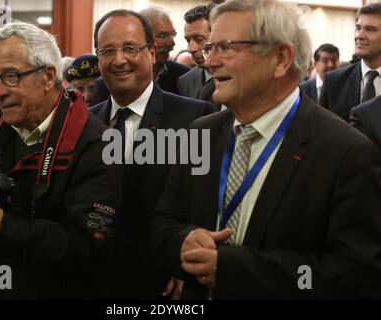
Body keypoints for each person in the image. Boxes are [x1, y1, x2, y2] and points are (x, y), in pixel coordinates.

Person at [150, 0, 381, 299]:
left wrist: (236, 269)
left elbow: (354, 278)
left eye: (227, 47)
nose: (209, 62)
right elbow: (162, 222)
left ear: (281, 58)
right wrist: (183, 241)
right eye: (211, 47)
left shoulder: (346, 154)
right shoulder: (200, 133)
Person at [0, 21, 119, 299]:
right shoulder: (0, 126)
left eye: (12, 76)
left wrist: (1, 224)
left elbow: (86, 248)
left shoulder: (97, 144)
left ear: (49, 76)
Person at [90, 9, 214, 299]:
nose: (119, 60)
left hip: (165, 285)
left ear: (151, 52)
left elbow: (204, 206)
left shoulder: (193, 117)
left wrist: (187, 266)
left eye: (130, 48)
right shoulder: (86, 123)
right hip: (97, 282)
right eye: (107, 51)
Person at [319, 2, 381, 122]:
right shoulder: (334, 82)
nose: (359, 36)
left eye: (370, 29)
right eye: (358, 28)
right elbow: (320, 131)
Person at [177, 4, 221, 111]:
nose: (191, 49)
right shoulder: (185, 81)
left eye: (199, 39)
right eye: (188, 40)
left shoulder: (239, 77)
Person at [139, 5, 191, 95]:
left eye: (173, 35)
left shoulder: (185, 77)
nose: (171, 43)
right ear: (140, 37)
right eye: (162, 36)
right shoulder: (121, 75)